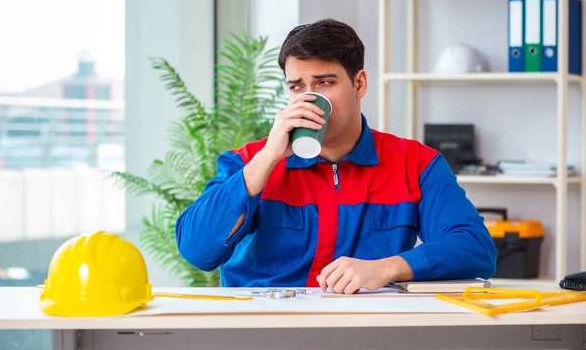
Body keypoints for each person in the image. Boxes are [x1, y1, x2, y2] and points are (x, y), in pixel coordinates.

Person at [175, 18, 497, 294]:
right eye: (297, 87)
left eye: (324, 82)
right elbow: (197, 251)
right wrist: (268, 157)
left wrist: (388, 268)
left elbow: (476, 249)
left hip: (362, 331)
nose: (309, 98)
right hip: (267, 330)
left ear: (359, 84)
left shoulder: (415, 164)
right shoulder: (248, 162)